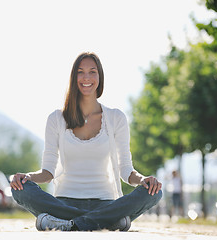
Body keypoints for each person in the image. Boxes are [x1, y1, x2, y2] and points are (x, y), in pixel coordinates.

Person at [10, 52, 162, 231]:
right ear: (74, 77)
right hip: (64, 203)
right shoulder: (56, 119)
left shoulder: (116, 118)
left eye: (92, 72)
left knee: (155, 192)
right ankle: (107, 222)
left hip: (105, 204)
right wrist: (27, 177)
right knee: (19, 187)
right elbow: (48, 172)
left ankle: (68, 223)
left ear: (100, 77)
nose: (86, 77)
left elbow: (126, 171)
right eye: (80, 72)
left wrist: (144, 180)